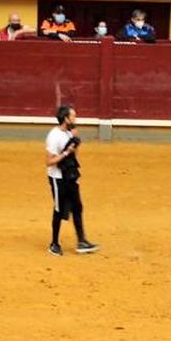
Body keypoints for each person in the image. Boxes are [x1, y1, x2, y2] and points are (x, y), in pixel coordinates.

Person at [45, 105, 98, 256]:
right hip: (58, 178)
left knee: (77, 207)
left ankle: (81, 241)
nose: (75, 119)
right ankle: (54, 243)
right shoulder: (53, 136)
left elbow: (74, 155)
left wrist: (75, 143)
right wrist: (67, 151)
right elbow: (49, 162)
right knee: (58, 210)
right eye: (73, 116)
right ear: (66, 119)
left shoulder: (70, 132)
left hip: (70, 175)